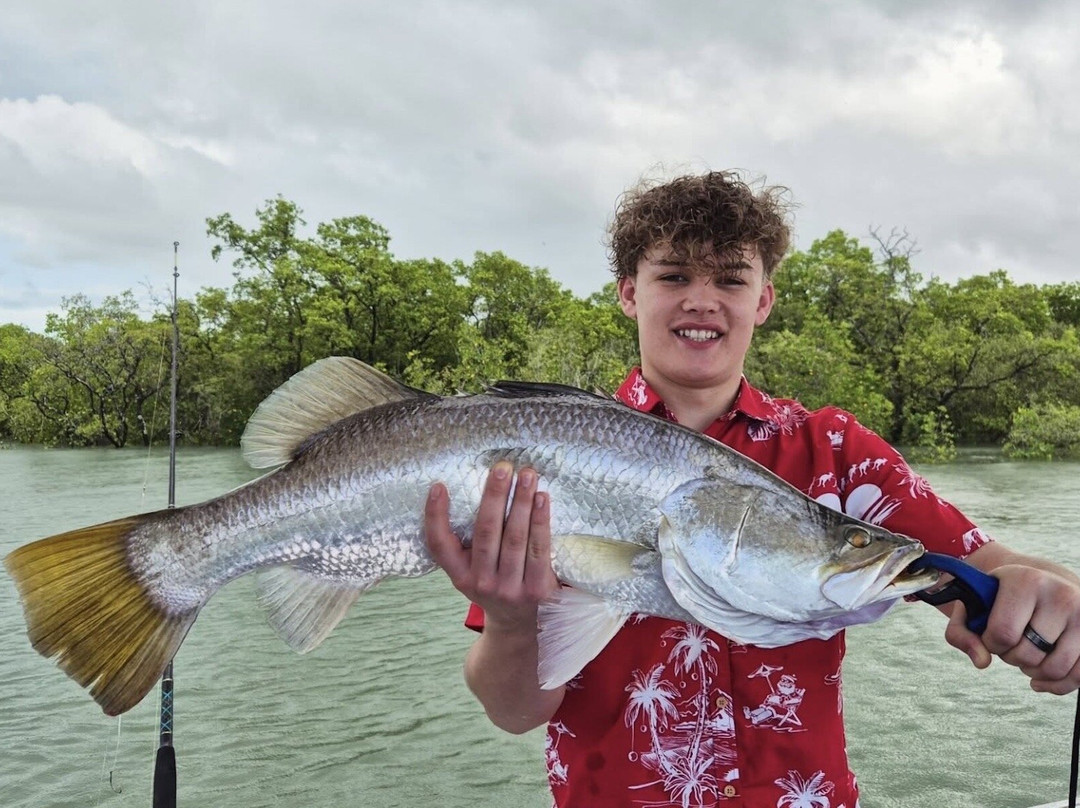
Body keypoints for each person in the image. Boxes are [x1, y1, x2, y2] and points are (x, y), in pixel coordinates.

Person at [423, 170, 1080, 806]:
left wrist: (1055, 606)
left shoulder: (836, 453)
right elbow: (514, 712)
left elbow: (989, 567)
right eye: (673, 276)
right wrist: (511, 620)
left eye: (731, 279)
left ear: (763, 300)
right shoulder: (543, 451)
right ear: (628, 293)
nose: (701, 300)